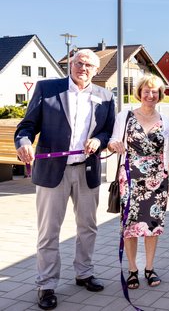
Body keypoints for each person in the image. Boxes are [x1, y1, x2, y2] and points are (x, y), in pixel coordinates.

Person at [14, 49, 115, 310]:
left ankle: (84, 273)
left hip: (87, 171)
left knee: (88, 227)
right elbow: (26, 127)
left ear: (97, 70)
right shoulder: (48, 89)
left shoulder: (105, 96)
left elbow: (107, 130)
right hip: (52, 171)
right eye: (79, 63)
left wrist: (99, 141)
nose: (83, 68)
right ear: (71, 64)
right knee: (49, 232)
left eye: (89, 65)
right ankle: (46, 284)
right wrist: (24, 143)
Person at [108, 74, 169, 289]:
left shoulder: (165, 121)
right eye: (146, 91)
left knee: (152, 226)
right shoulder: (125, 116)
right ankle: (132, 270)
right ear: (139, 93)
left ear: (160, 95)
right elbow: (112, 141)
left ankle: (149, 267)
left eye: (155, 91)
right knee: (129, 226)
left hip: (157, 181)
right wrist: (114, 145)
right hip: (130, 179)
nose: (150, 95)